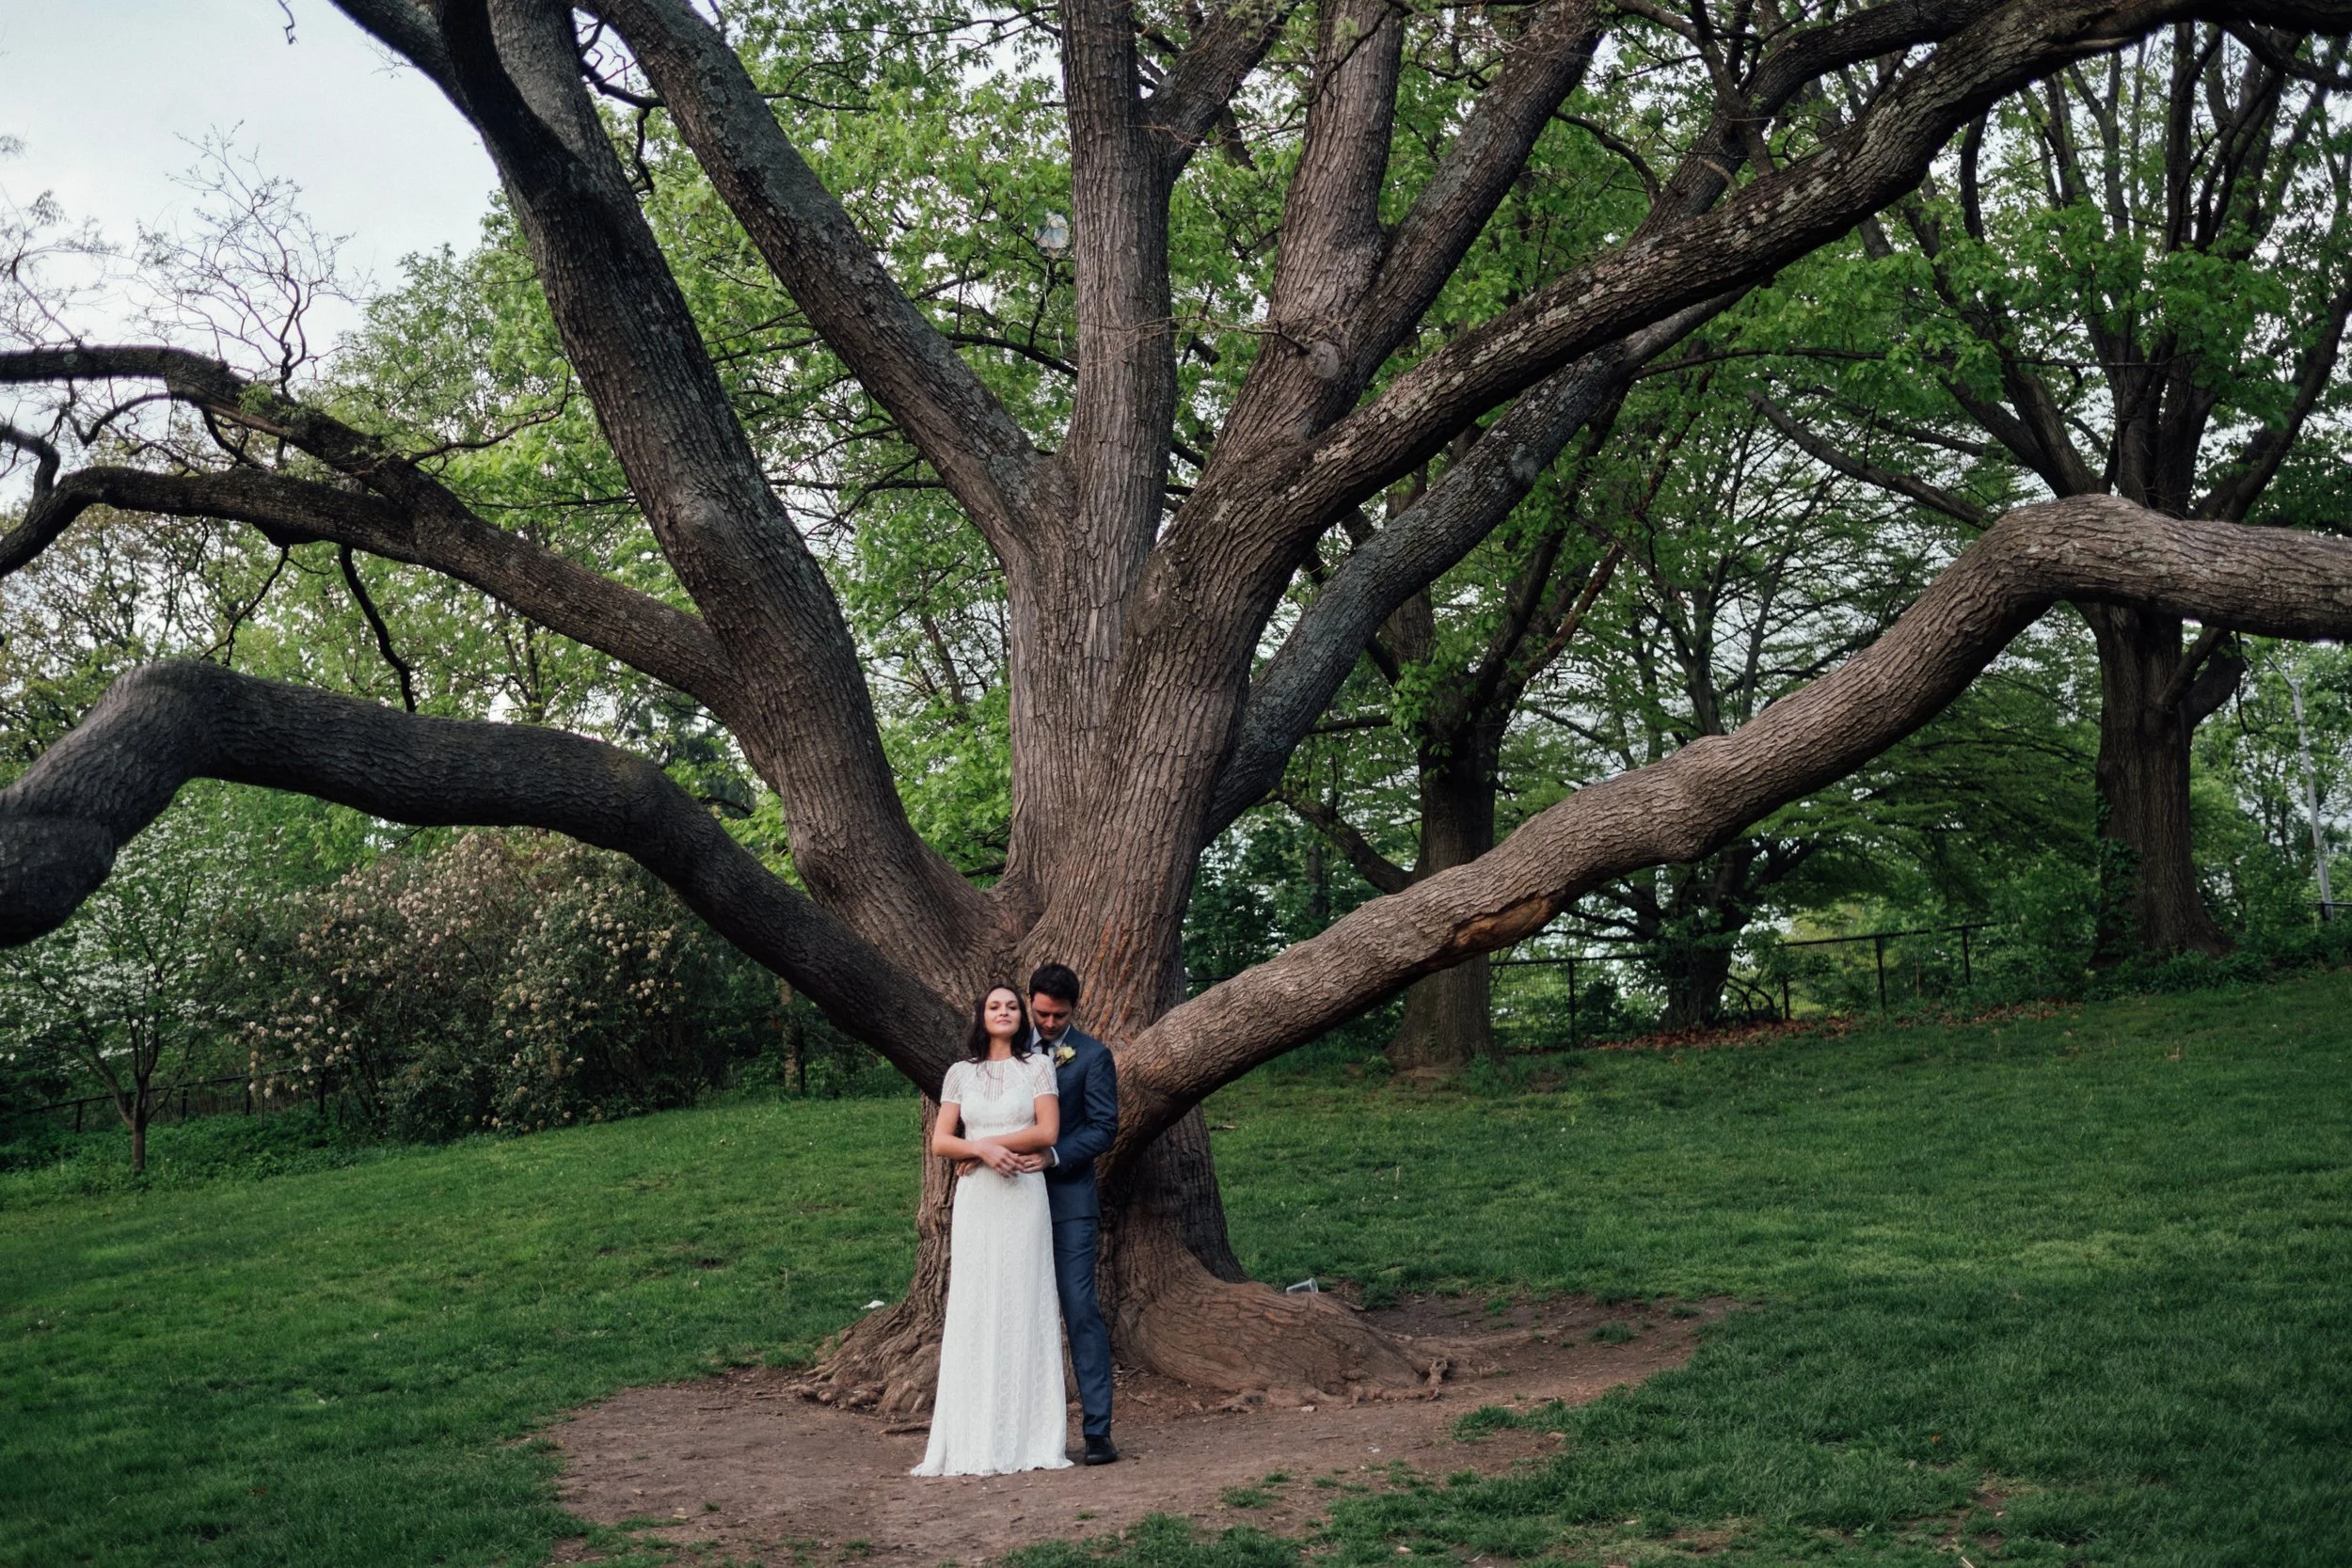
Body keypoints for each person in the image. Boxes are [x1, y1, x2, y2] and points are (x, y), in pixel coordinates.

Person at [910, 985, 1070, 1477]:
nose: (1004, 1012)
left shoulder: (1039, 1067)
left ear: (1022, 1018)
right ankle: (971, 1433)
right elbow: (941, 1141)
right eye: (994, 1006)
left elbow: (1047, 1132)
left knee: (1024, 1300)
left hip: (1023, 1193)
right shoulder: (960, 1074)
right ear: (982, 1017)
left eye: (1012, 1006)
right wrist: (979, 1152)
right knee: (976, 1303)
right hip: (977, 1200)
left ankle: (1031, 1438)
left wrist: (985, 1144)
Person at [1019, 962, 1120, 1465]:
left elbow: (1104, 1127)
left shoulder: (1093, 1056)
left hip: (1068, 1203)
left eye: (1058, 1016)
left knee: (1080, 1310)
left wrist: (1054, 1155)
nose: (1049, 1025)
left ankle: (1097, 1430)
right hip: (1010, 1202)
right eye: (1041, 1013)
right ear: (1030, 1002)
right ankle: (1023, 1430)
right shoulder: (1008, 1052)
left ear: (1073, 1009)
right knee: (1015, 1311)